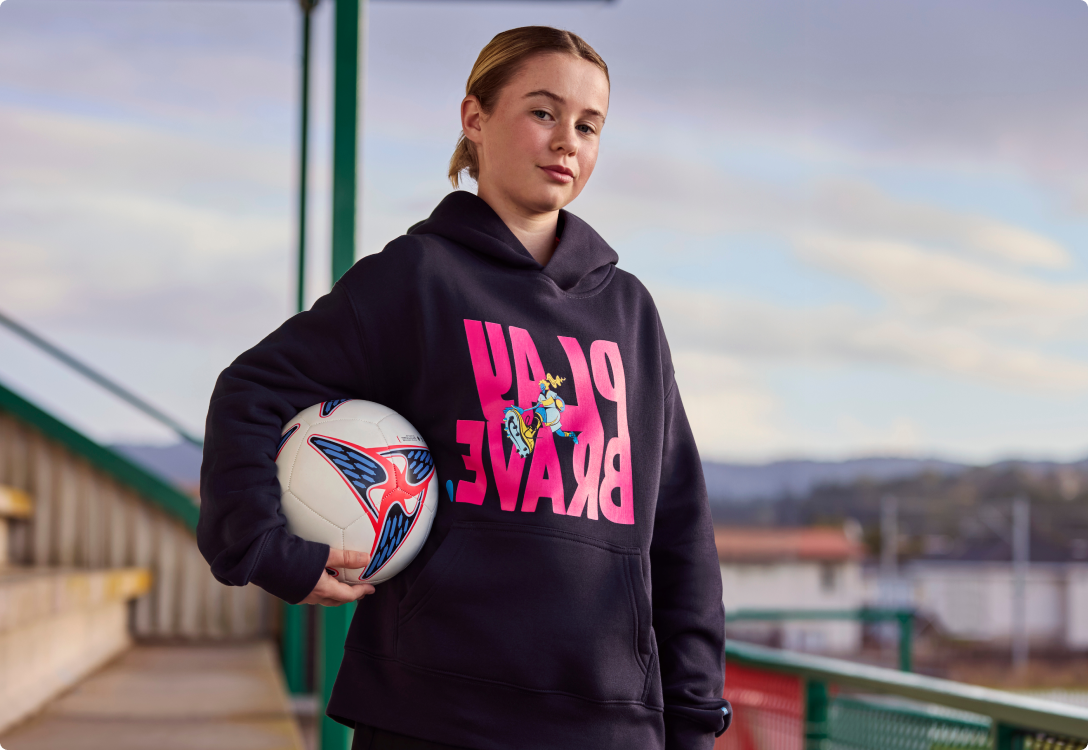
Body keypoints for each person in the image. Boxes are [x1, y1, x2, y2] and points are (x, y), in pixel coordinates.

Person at [197, 26, 730, 750]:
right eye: (542, 112)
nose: (566, 141)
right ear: (475, 118)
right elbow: (251, 391)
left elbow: (679, 525)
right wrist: (263, 547)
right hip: (432, 714)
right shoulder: (416, 278)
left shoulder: (629, 311)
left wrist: (695, 717)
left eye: (588, 125)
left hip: (605, 723)